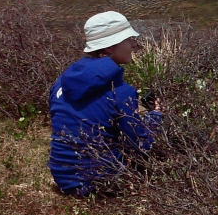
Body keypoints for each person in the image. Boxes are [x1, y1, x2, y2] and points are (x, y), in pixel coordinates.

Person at [48, 11, 162, 197]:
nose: (134, 44)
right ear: (109, 48)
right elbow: (140, 144)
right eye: (128, 39)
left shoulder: (60, 83)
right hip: (100, 182)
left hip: (62, 177)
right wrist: (156, 116)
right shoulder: (121, 92)